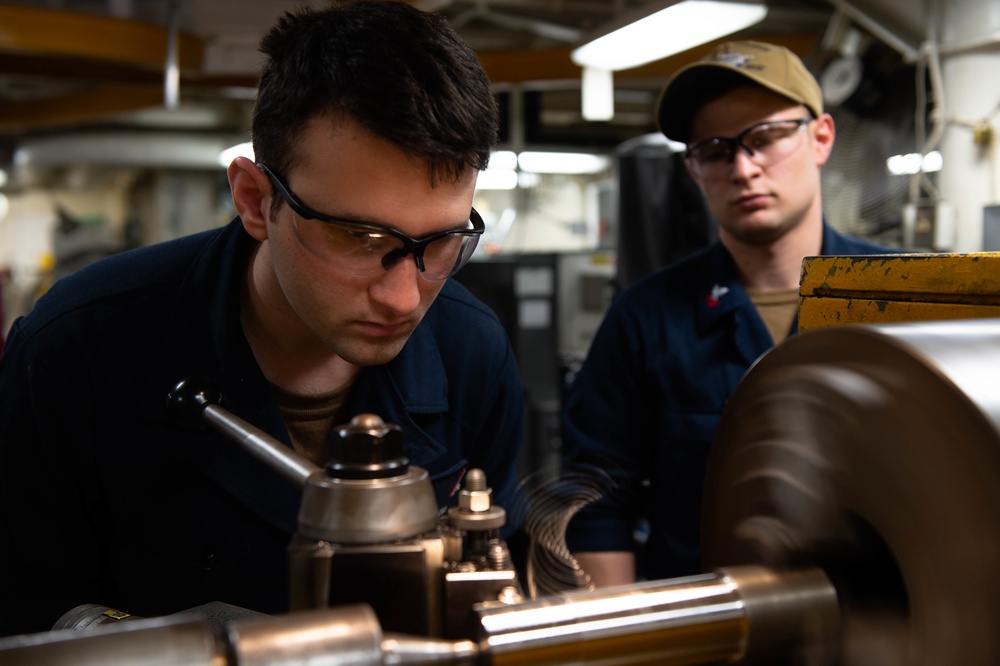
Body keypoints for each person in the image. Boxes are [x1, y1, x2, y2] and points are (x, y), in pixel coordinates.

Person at [0, 1, 524, 637]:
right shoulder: (76, 349)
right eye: (359, 238)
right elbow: (24, 615)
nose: (404, 299)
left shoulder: (473, 351)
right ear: (255, 198)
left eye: (439, 243)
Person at [562, 40, 898, 587]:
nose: (742, 169)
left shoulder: (906, 302)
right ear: (694, 170)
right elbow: (599, 503)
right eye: (716, 151)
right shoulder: (644, 319)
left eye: (764, 139)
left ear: (821, 138)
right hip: (708, 630)